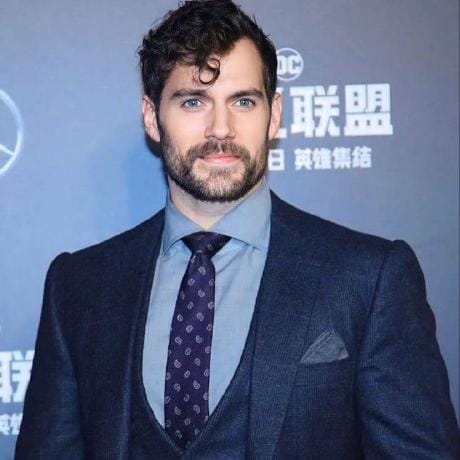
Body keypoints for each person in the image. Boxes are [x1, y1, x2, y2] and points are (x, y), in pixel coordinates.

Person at [15, 0, 459, 458]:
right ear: (151, 116)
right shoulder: (79, 286)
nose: (221, 129)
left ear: (275, 114)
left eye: (243, 101)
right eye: (193, 101)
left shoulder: (369, 277)